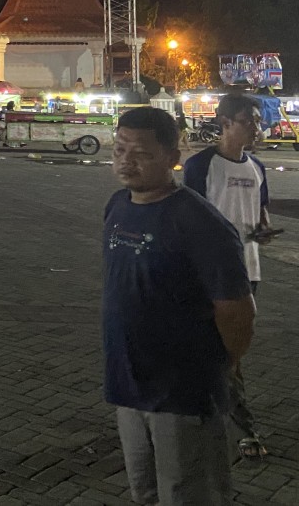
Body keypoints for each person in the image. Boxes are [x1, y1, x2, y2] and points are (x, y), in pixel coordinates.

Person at [104, 107, 255, 506]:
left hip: (183, 393)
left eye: (141, 153)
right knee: (147, 493)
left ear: (173, 156)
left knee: (190, 495)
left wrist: (217, 367)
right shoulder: (118, 206)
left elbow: (237, 311)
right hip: (129, 384)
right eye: (120, 149)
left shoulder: (199, 222)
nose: (125, 160)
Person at [183, 93, 273, 460]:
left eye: (256, 120)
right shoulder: (201, 166)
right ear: (224, 124)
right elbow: (185, 220)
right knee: (222, 355)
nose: (256, 127)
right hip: (207, 274)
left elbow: (261, 217)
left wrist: (262, 232)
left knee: (229, 352)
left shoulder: (257, 168)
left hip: (247, 272)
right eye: (248, 120)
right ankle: (243, 428)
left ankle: (199, 415)